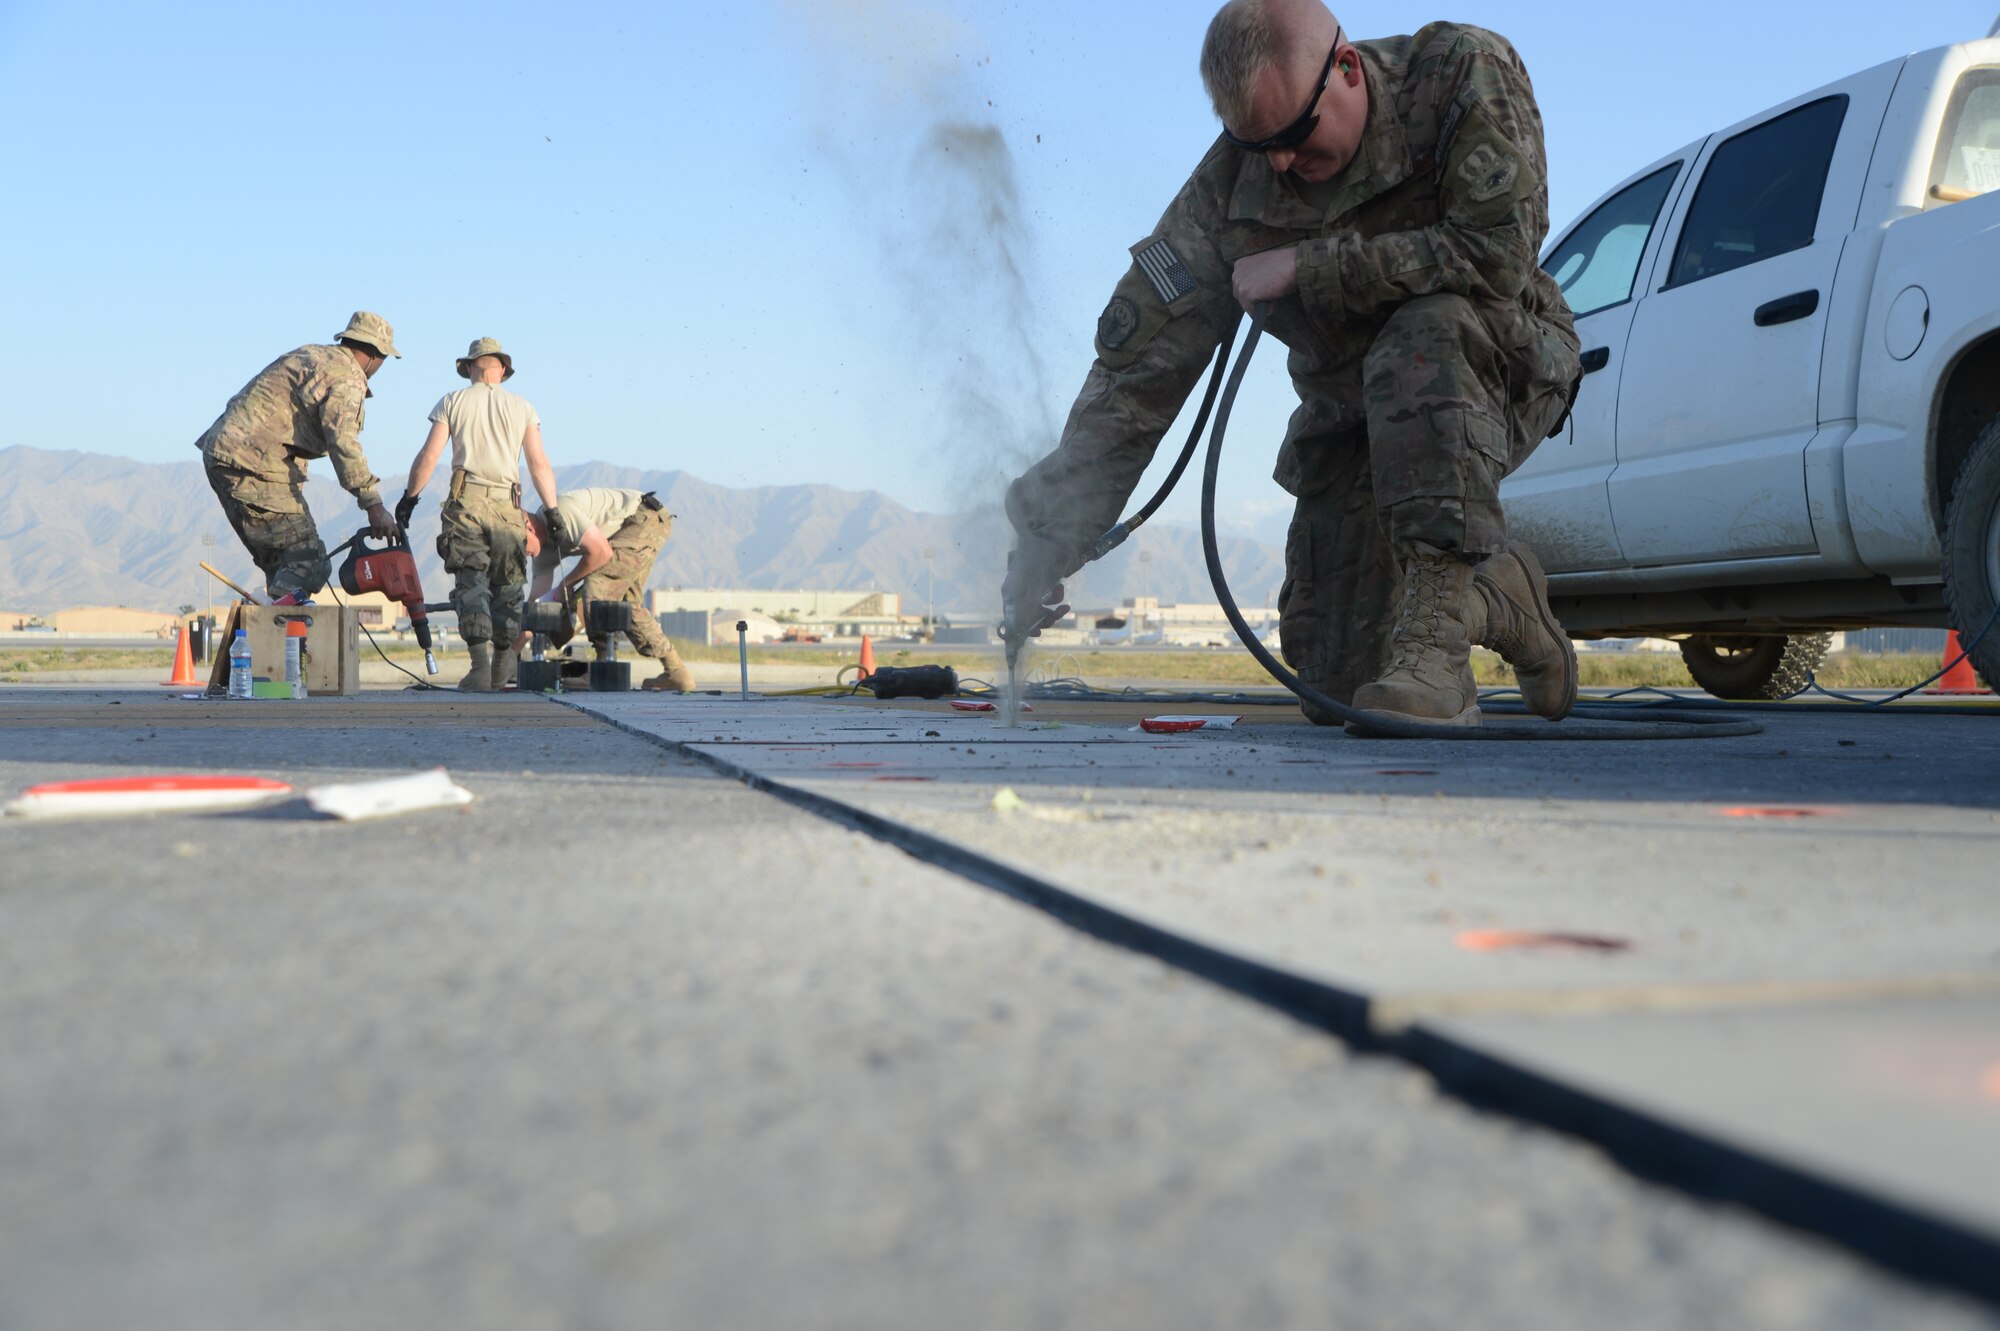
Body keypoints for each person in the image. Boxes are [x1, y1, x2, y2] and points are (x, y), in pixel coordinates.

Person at [1002, 0, 1581, 729]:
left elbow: (1495, 256)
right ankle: (1499, 600)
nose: (1278, 162)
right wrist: (1051, 536)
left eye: (1294, 135)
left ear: (1346, 67)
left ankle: (1436, 638)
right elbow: (1137, 373)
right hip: (1354, 425)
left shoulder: (1460, 72)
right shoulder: (1227, 189)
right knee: (1336, 684)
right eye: (1257, 143)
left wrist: (1308, 268)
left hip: (1505, 367)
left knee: (1425, 328)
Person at [195, 311, 401, 603]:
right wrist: (373, 504)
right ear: (374, 354)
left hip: (224, 455)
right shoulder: (349, 377)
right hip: (252, 463)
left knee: (284, 564)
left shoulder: (312, 356)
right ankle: (281, 638)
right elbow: (343, 441)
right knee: (310, 562)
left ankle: (267, 632)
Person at [398, 337, 560, 691]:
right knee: (508, 586)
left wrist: (410, 498)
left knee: (472, 583)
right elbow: (538, 463)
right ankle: (503, 667)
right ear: (501, 370)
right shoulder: (523, 407)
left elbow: (429, 456)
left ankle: (479, 670)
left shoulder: (453, 401)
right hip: (508, 506)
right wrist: (553, 511)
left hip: (466, 504)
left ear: (470, 367)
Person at [521, 488, 698, 692]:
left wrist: (566, 585)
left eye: (520, 544)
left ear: (529, 527)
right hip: (645, 523)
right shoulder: (543, 554)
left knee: (598, 585)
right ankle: (676, 672)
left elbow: (601, 553)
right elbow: (536, 610)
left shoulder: (559, 512)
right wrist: (507, 661)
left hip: (642, 518)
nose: (522, 553)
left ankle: (602, 666)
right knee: (626, 605)